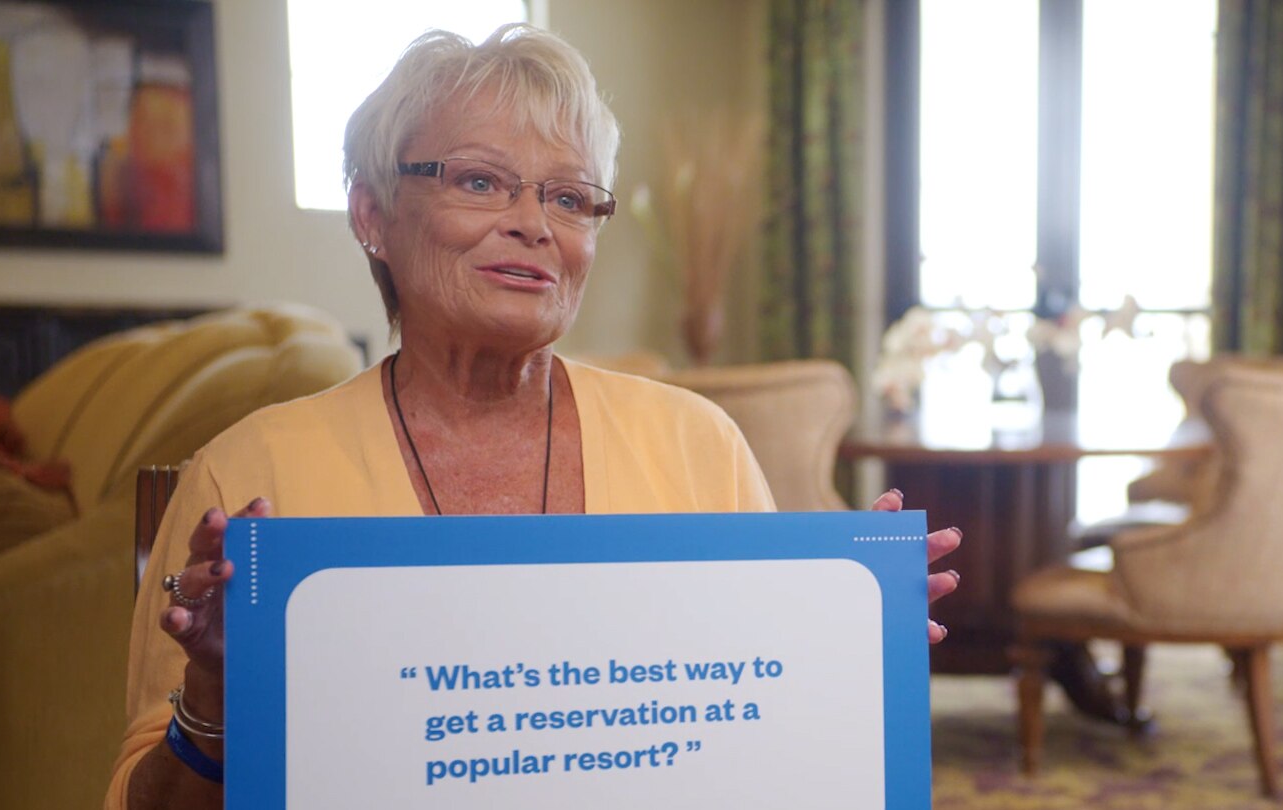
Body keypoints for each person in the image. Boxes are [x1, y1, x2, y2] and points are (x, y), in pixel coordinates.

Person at [107, 25, 960, 808]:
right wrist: (218, 707)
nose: (532, 225)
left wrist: (844, 645)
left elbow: (753, 747)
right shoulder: (247, 477)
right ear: (373, 216)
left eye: (569, 197)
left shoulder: (699, 442)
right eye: (480, 181)